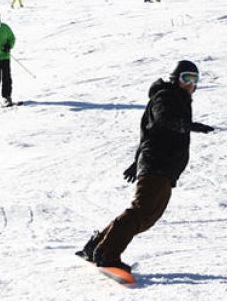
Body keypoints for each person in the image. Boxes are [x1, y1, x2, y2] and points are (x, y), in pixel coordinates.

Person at [76, 60, 214, 273]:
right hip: (158, 163)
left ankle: (96, 246)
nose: (190, 84)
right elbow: (162, 119)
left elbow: (151, 132)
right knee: (143, 212)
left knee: (146, 214)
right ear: (175, 78)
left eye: (194, 80)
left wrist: (137, 161)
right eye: (186, 78)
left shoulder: (176, 98)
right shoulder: (166, 96)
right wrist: (189, 126)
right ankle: (107, 253)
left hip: (160, 164)